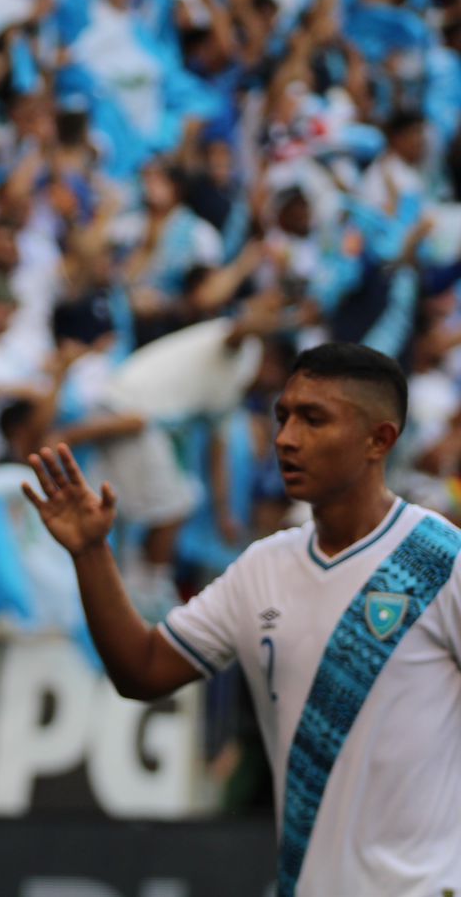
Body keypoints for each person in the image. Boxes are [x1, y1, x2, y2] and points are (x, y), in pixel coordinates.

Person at [23, 343, 461, 897]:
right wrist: (91, 553)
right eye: (283, 416)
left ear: (380, 440)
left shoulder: (441, 561)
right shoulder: (262, 566)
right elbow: (143, 670)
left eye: (313, 419)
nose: (285, 438)